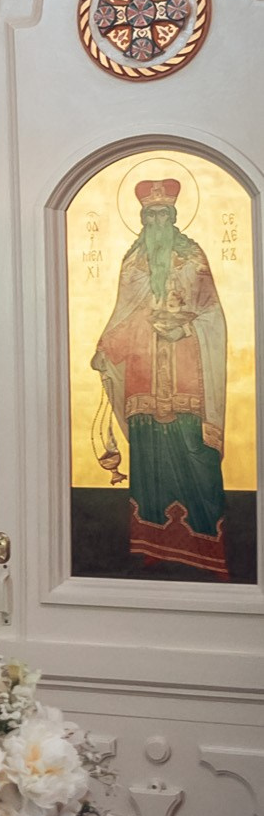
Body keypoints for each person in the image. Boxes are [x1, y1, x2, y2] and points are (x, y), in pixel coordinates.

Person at [91, 177, 232, 577]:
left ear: (173, 216)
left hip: (189, 380)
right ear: (142, 218)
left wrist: (185, 328)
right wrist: (106, 349)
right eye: (149, 214)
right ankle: (152, 545)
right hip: (143, 380)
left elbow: (212, 314)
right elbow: (122, 314)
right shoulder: (133, 262)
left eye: (162, 213)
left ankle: (207, 545)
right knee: (149, 463)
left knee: (196, 457)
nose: (156, 220)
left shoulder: (193, 258)